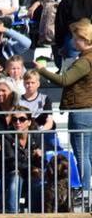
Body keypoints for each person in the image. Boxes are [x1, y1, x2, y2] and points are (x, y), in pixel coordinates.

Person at [37, 18, 92, 195]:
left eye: (76, 38)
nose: (74, 41)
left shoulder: (85, 61)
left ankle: (85, 191)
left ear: (85, 39)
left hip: (81, 113)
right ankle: (87, 190)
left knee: (82, 154)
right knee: (88, 155)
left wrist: (42, 70)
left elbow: (64, 80)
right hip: (87, 111)